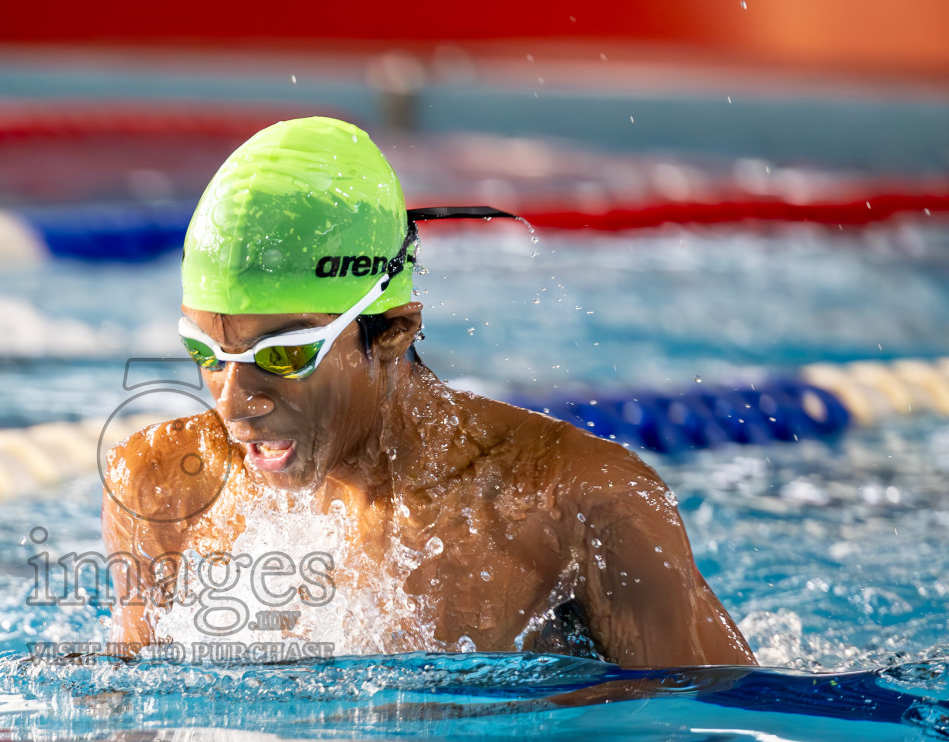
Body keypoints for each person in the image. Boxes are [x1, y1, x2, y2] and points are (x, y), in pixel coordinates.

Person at [101, 116, 754, 669]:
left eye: (285, 355)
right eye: (207, 356)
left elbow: (716, 737)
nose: (233, 401)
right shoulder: (162, 488)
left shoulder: (574, 503)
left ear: (393, 332)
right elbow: (137, 738)